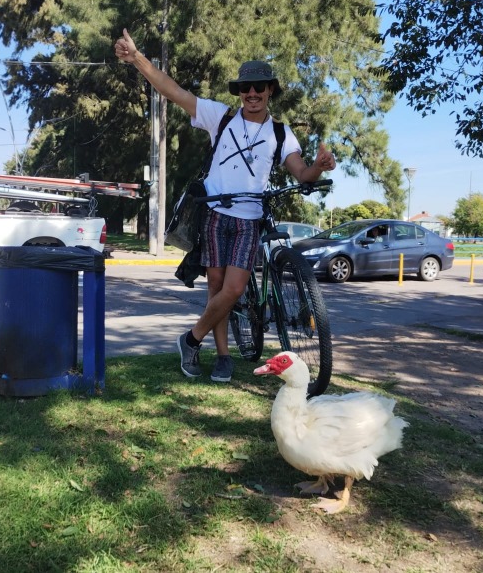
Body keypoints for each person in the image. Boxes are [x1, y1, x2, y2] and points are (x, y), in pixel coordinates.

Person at [114, 29, 336, 383]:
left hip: (249, 219)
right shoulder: (221, 117)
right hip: (215, 213)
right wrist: (137, 58)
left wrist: (318, 167)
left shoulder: (281, 134)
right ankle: (222, 357)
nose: (252, 94)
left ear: (270, 91)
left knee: (232, 289)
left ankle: (190, 340)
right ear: (239, 92)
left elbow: (300, 172)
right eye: (246, 88)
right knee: (216, 288)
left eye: (259, 87)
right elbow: (173, 92)